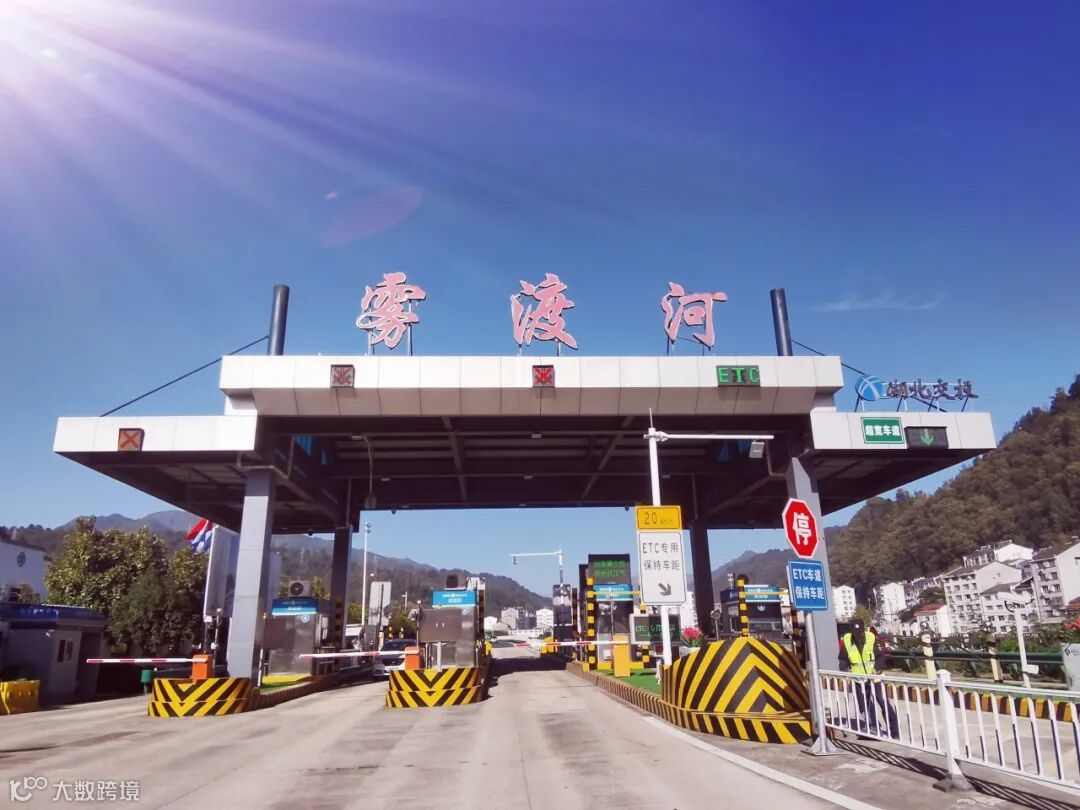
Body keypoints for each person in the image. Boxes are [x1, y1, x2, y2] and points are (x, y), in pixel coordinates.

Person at [839, 620, 898, 738]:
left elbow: (880, 656)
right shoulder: (847, 640)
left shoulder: (871, 638)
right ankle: (873, 728)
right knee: (864, 706)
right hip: (858, 679)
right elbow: (843, 659)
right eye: (855, 632)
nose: (858, 635)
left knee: (883, 702)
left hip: (875, 677)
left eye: (859, 632)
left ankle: (894, 731)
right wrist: (845, 672)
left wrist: (877, 667)